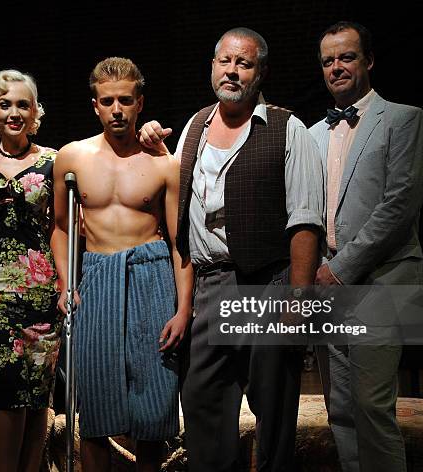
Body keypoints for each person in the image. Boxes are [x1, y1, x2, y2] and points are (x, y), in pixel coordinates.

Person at [139, 27, 324, 471]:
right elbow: (185, 198)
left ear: (260, 72)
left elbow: (305, 221)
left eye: (244, 63)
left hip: (266, 284)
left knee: (273, 405)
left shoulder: (287, 128)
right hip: (211, 285)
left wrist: (299, 302)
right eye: (225, 61)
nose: (233, 71)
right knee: (202, 399)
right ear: (213, 66)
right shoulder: (195, 126)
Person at [52, 57, 193, 472]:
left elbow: (179, 243)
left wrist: (183, 308)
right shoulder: (72, 157)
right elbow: (60, 228)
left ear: (140, 103)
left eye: (126, 100)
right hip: (95, 275)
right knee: (94, 406)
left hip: (151, 274)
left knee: (153, 406)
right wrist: (66, 284)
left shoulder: (164, 165)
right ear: (95, 105)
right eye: (108, 100)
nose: (117, 109)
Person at [309, 21, 423, 471]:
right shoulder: (311, 133)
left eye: (346, 57)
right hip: (325, 285)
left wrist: (342, 267)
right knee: (339, 408)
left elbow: (400, 205)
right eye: (328, 61)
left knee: (372, 406)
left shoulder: (404, 118)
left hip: (378, 282)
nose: (336, 67)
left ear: (369, 61)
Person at [0, 69, 62, 472]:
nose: (14, 112)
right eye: (5, 104)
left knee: (37, 394)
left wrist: (65, 283)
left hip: (42, 292)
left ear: (35, 111)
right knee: (6, 391)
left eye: (23, 104)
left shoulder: (54, 161)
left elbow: (62, 227)